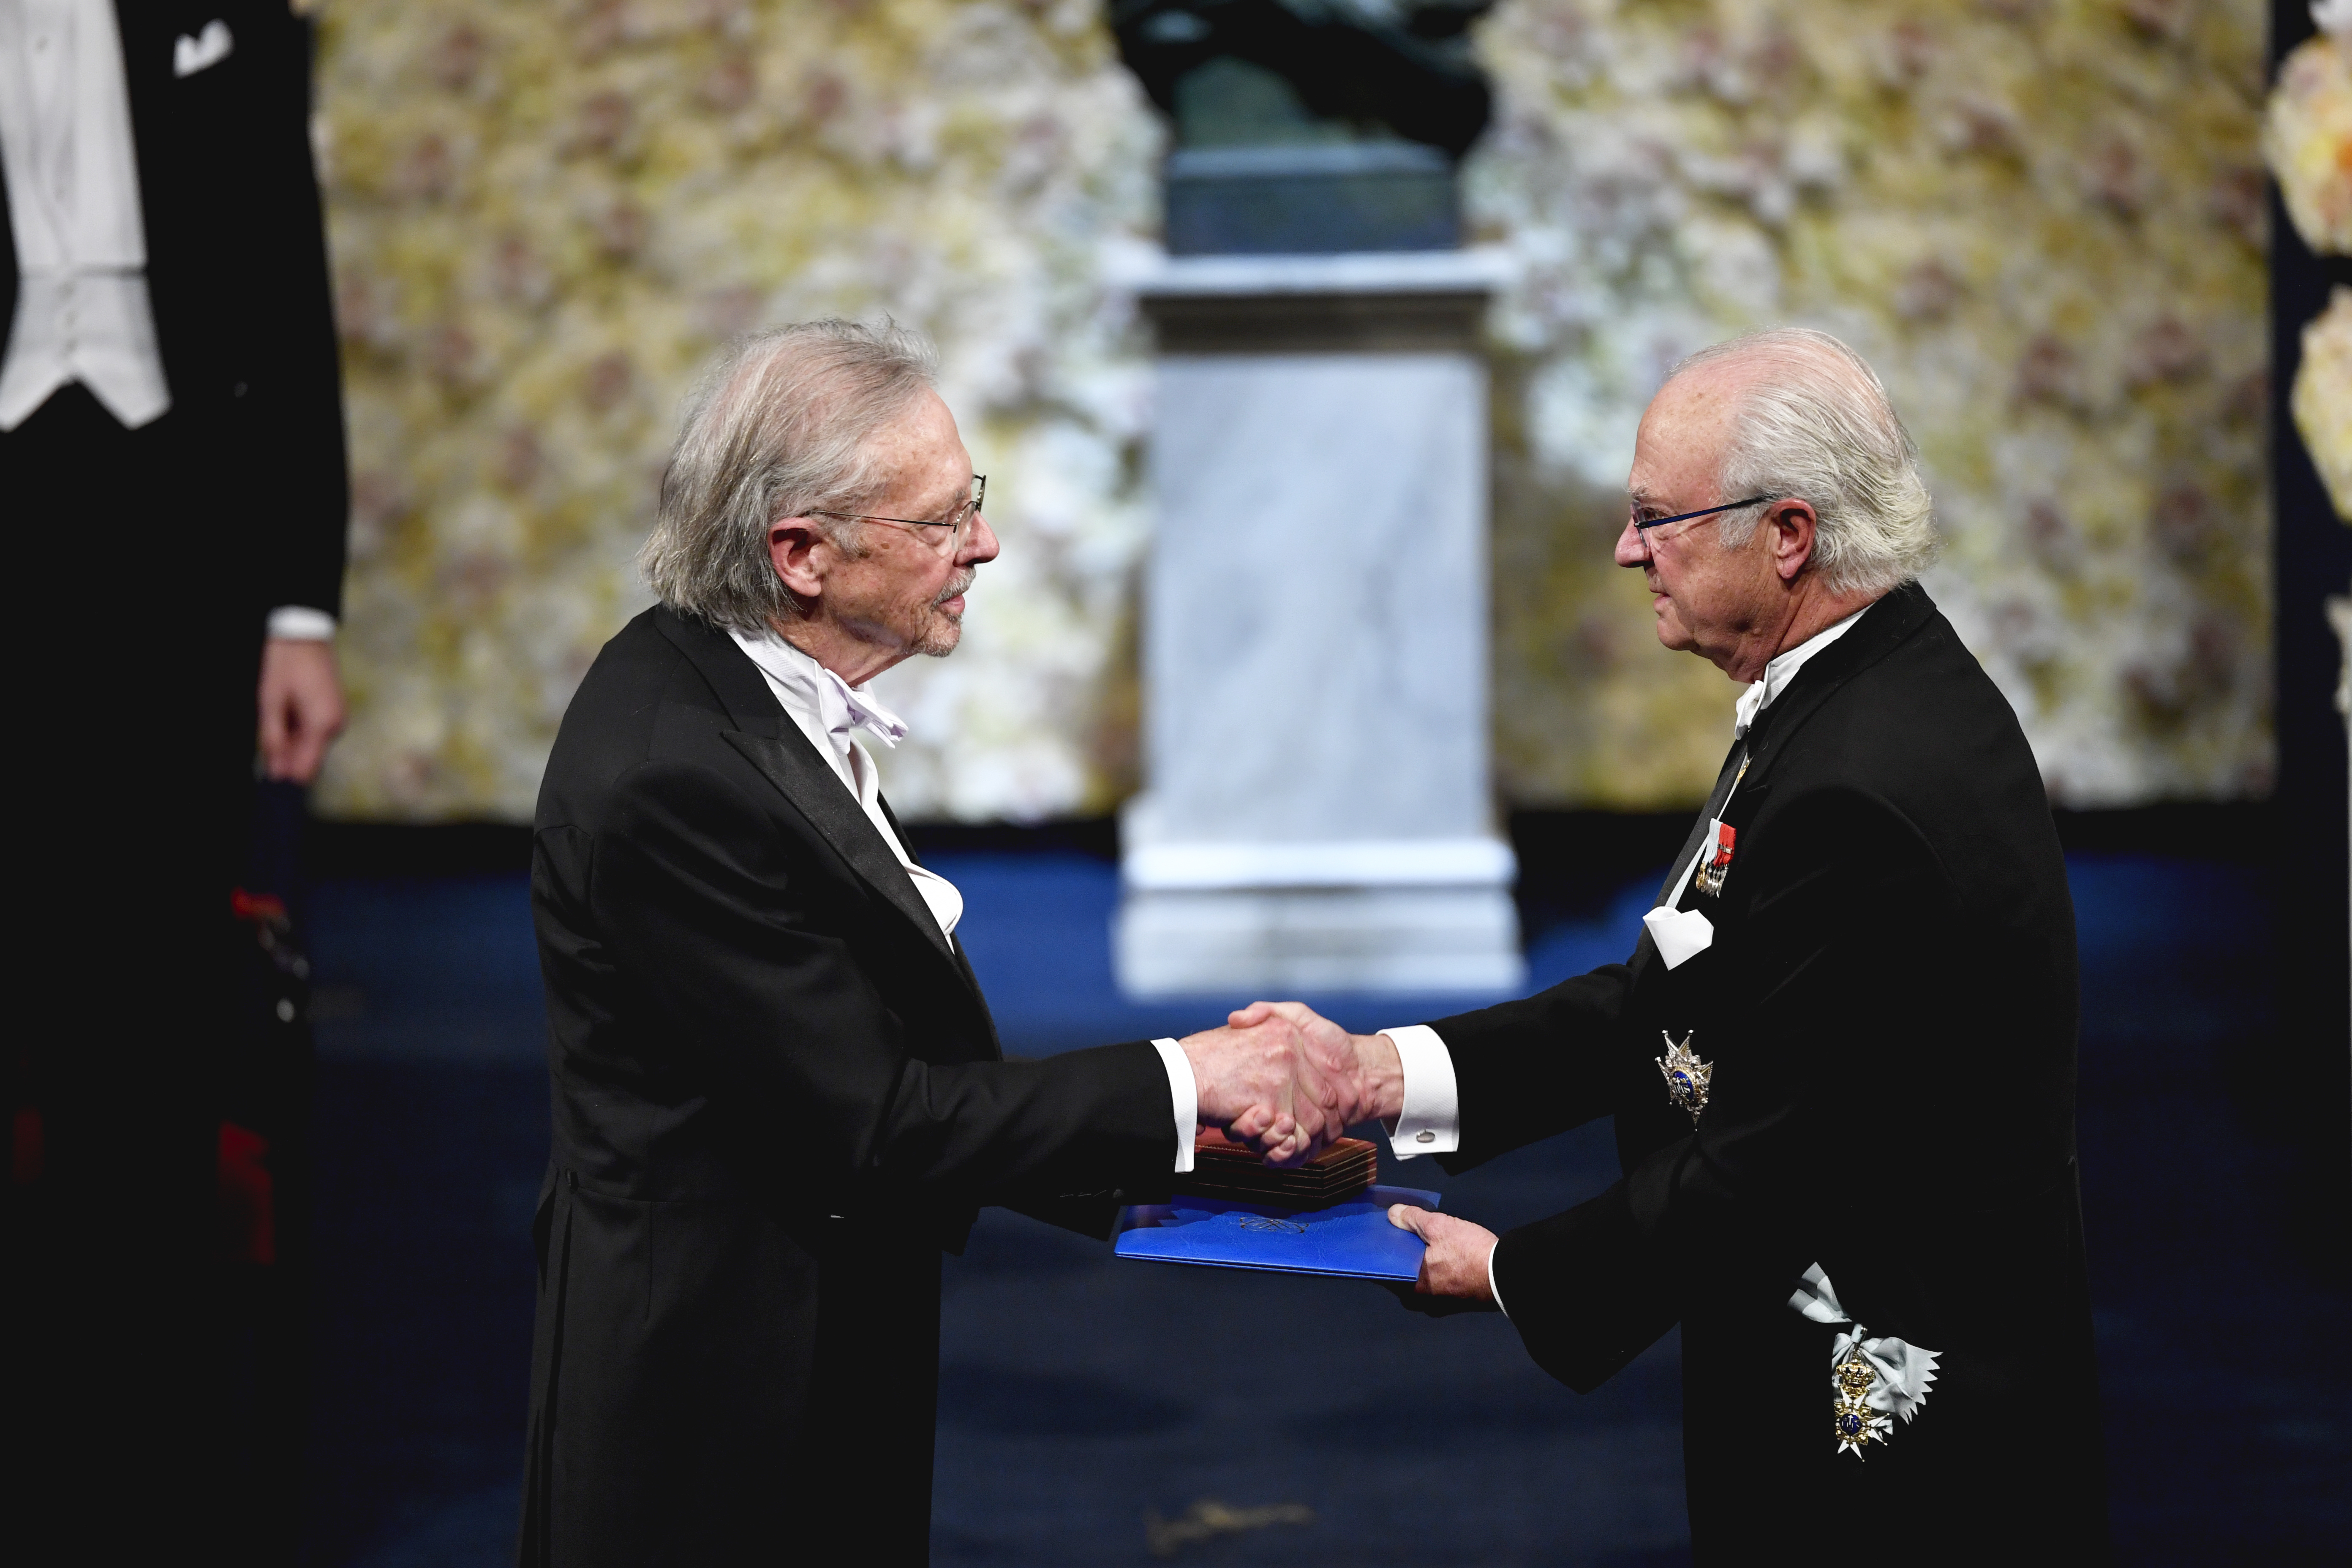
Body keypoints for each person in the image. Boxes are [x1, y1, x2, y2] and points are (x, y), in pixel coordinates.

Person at [1248, 329, 2107, 1558]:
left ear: (1789, 535)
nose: (1624, 548)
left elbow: (1775, 1164)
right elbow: (1681, 1006)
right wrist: (1385, 1075)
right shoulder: (1853, 693)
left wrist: (1513, 1273)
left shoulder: (1860, 782)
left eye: (1657, 517)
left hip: (1901, 1456)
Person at [520, 320, 1327, 1566]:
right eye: (944, 520)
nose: (985, 546)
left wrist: (1193, 1163)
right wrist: (1183, 1081)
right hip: (714, 1401)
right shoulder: (673, 775)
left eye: (976, 504)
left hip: (811, 1332)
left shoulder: (749, 695)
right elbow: (881, 1125)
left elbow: (896, 1065)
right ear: (801, 553)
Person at [0, 1, 348, 1556]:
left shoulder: (234, 21)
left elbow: (291, 298)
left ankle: (132, 1459)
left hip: (174, 532)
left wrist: (298, 609)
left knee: (149, 1001)